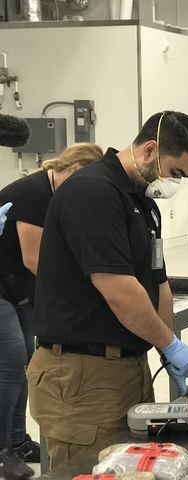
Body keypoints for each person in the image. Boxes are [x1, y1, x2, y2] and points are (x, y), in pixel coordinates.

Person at [27, 111, 188, 469]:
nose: (175, 184)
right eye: (175, 172)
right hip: (82, 376)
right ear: (150, 150)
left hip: (127, 369)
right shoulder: (92, 193)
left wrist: (167, 347)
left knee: (130, 468)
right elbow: (119, 291)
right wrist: (169, 344)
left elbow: (159, 283)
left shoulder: (144, 204)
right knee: (88, 470)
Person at [0, 143, 102, 480]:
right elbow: (35, 260)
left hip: (17, 286)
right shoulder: (34, 193)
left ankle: (17, 441)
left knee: (27, 362)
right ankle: (1, 449)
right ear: (73, 170)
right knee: (12, 361)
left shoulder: (57, 193)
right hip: (3, 284)